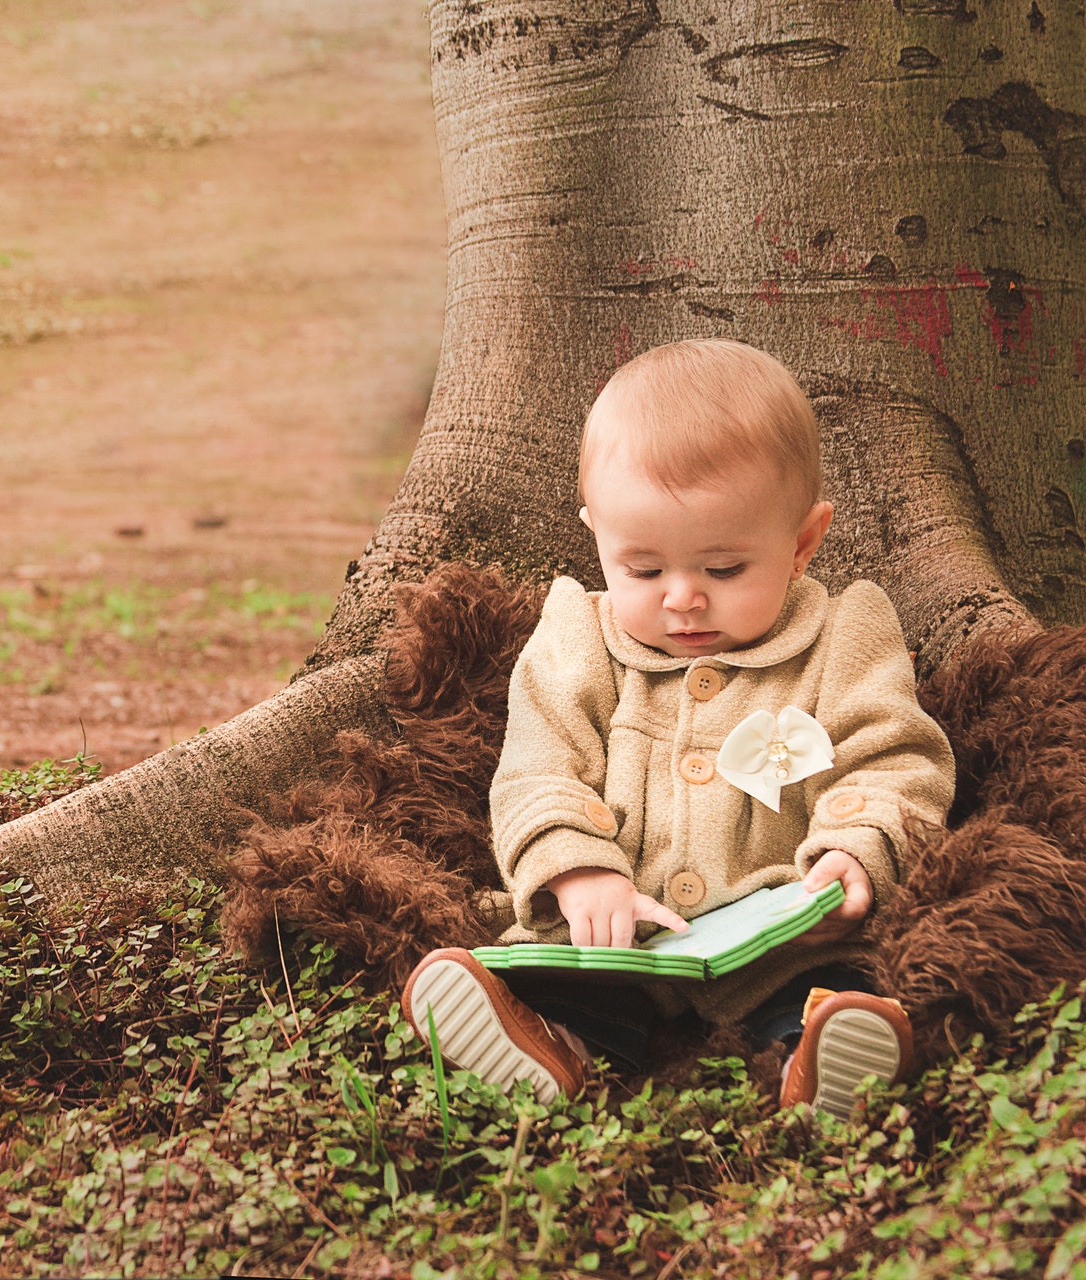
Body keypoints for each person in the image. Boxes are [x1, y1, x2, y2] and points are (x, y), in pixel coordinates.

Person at [402, 338, 957, 1118]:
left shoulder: (843, 635)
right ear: (595, 532)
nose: (683, 598)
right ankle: (545, 1044)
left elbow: (892, 756)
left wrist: (854, 850)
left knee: (836, 986)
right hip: (615, 939)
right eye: (644, 569)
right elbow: (536, 768)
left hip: (780, 936)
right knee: (566, 982)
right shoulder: (577, 638)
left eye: (724, 570)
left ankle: (817, 1061)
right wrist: (578, 869)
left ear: (802, 542)